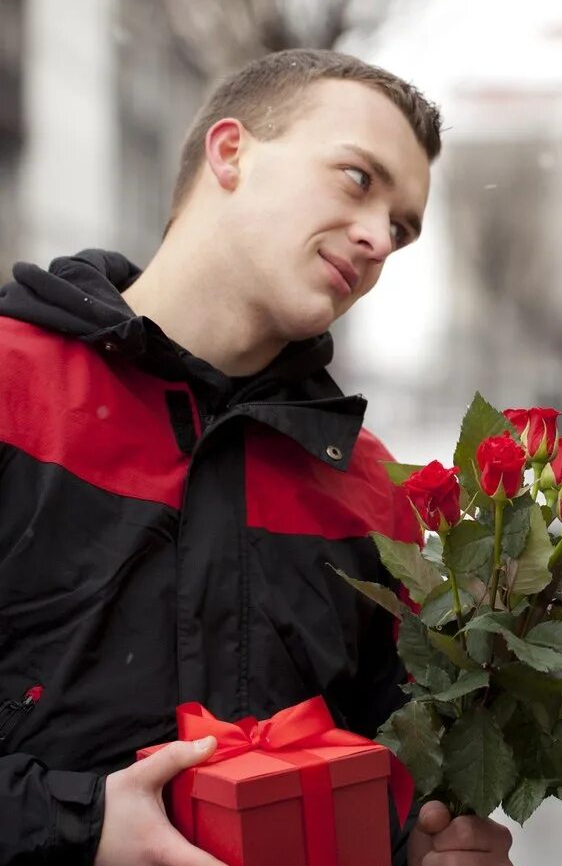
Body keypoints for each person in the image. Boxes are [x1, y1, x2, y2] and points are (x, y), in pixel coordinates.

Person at [0, 49, 513, 866]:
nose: (381, 237)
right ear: (230, 152)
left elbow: (390, 794)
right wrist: (79, 827)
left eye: (404, 228)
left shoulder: (376, 495)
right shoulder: (11, 388)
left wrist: (424, 851)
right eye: (357, 179)